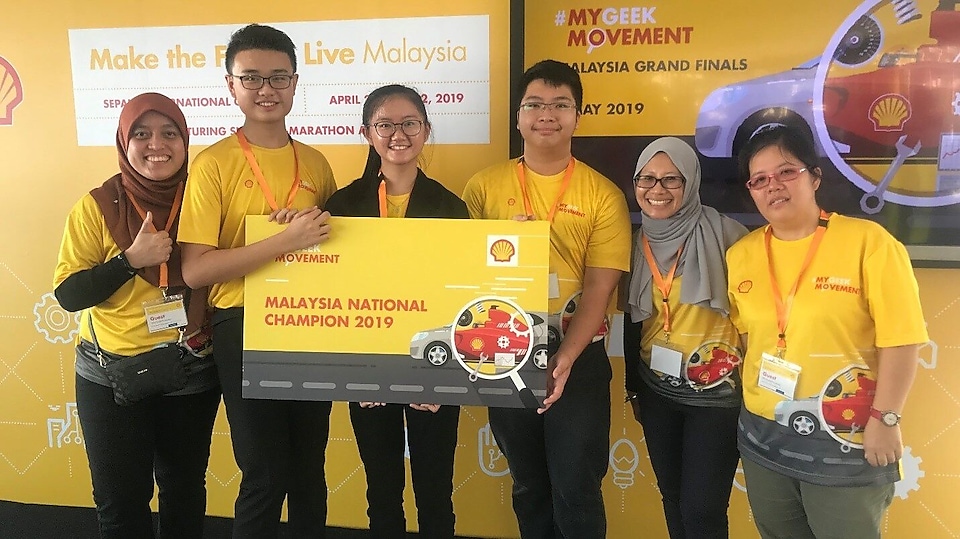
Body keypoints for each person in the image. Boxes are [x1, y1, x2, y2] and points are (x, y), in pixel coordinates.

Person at [727, 125, 927, 539]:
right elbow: (749, 339)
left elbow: (903, 340)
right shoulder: (741, 254)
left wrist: (885, 419)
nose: (773, 187)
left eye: (786, 172)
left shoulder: (868, 243)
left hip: (848, 437)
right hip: (765, 439)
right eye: (759, 179)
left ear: (814, 177)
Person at [176, 24, 337, 538]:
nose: (266, 89)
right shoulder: (213, 164)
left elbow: (336, 251)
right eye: (251, 78)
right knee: (265, 473)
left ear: (295, 82)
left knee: (310, 470)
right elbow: (195, 269)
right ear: (230, 86)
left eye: (278, 77)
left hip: (310, 324)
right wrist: (281, 243)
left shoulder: (315, 162)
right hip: (243, 326)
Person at [461, 59, 632, 538]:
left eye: (561, 105)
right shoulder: (483, 187)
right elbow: (464, 278)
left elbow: (601, 286)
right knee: (528, 483)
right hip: (504, 352)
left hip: (577, 355)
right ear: (517, 116)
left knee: (576, 486)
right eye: (534, 104)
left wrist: (565, 358)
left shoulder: (603, 194)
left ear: (578, 115)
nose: (547, 115)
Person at [53, 92, 220, 539]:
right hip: (111, 374)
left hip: (191, 367)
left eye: (170, 133)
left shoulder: (207, 197)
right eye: (141, 134)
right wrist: (130, 259)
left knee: (183, 491)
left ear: (186, 141)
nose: (156, 144)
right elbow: (69, 294)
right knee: (121, 503)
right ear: (124, 142)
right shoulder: (97, 206)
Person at [324, 84, 465, 539]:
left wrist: (443, 381)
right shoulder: (342, 207)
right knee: (381, 492)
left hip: (435, 370)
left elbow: (462, 296)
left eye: (410, 124)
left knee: (434, 492)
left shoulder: (452, 207)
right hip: (367, 373)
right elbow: (330, 297)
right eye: (385, 125)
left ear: (426, 130)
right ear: (367, 133)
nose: (398, 134)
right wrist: (355, 375)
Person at [623, 137, 747, 539]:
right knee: (672, 498)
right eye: (647, 179)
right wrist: (634, 390)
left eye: (670, 179)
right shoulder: (632, 242)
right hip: (657, 392)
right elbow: (632, 320)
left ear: (691, 182)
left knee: (703, 510)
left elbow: (756, 318)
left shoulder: (730, 237)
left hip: (718, 398)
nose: (657, 190)